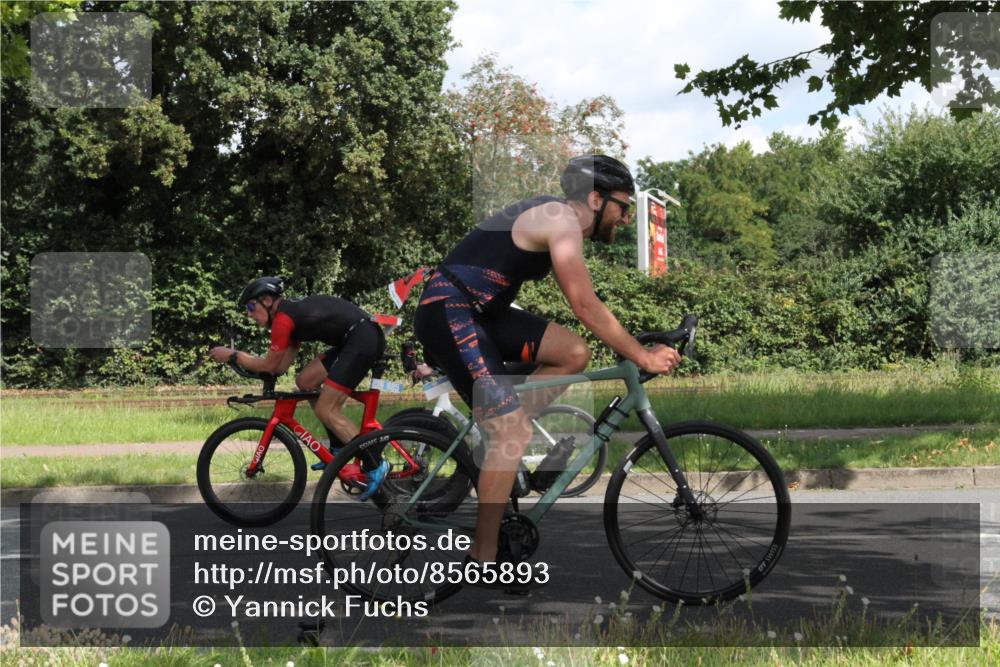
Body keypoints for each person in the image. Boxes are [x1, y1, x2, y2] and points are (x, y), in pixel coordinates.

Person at [413, 155, 681, 579]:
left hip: (483, 311)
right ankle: (485, 559)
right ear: (596, 199)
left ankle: (498, 446)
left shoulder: (557, 217)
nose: (626, 217)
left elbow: (583, 315)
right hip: (452, 310)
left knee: (573, 353)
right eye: (622, 206)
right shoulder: (561, 220)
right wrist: (642, 355)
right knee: (512, 431)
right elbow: (584, 303)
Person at [208, 276, 389, 498]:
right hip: (357, 337)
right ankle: (338, 450)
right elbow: (279, 367)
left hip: (361, 339)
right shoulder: (287, 320)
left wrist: (234, 355)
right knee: (305, 382)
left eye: (251, 306)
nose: (249, 313)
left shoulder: (284, 319)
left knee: (326, 409)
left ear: (266, 300)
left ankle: (375, 463)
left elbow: (270, 363)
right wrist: (247, 364)